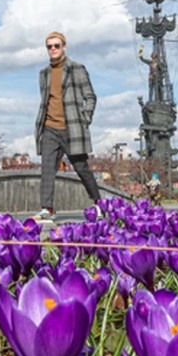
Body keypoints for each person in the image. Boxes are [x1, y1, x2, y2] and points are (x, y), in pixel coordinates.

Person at [33, 31, 101, 222]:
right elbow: (46, 100)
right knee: (47, 168)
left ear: (64, 47)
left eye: (56, 45)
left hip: (72, 128)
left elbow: (90, 96)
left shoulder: (76, 69)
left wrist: (85, 118)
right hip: (49, 127)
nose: (53, 49)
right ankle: (47, 208)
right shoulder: (43, 74)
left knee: (81, 167)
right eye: (49, 46)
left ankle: (98, 204)